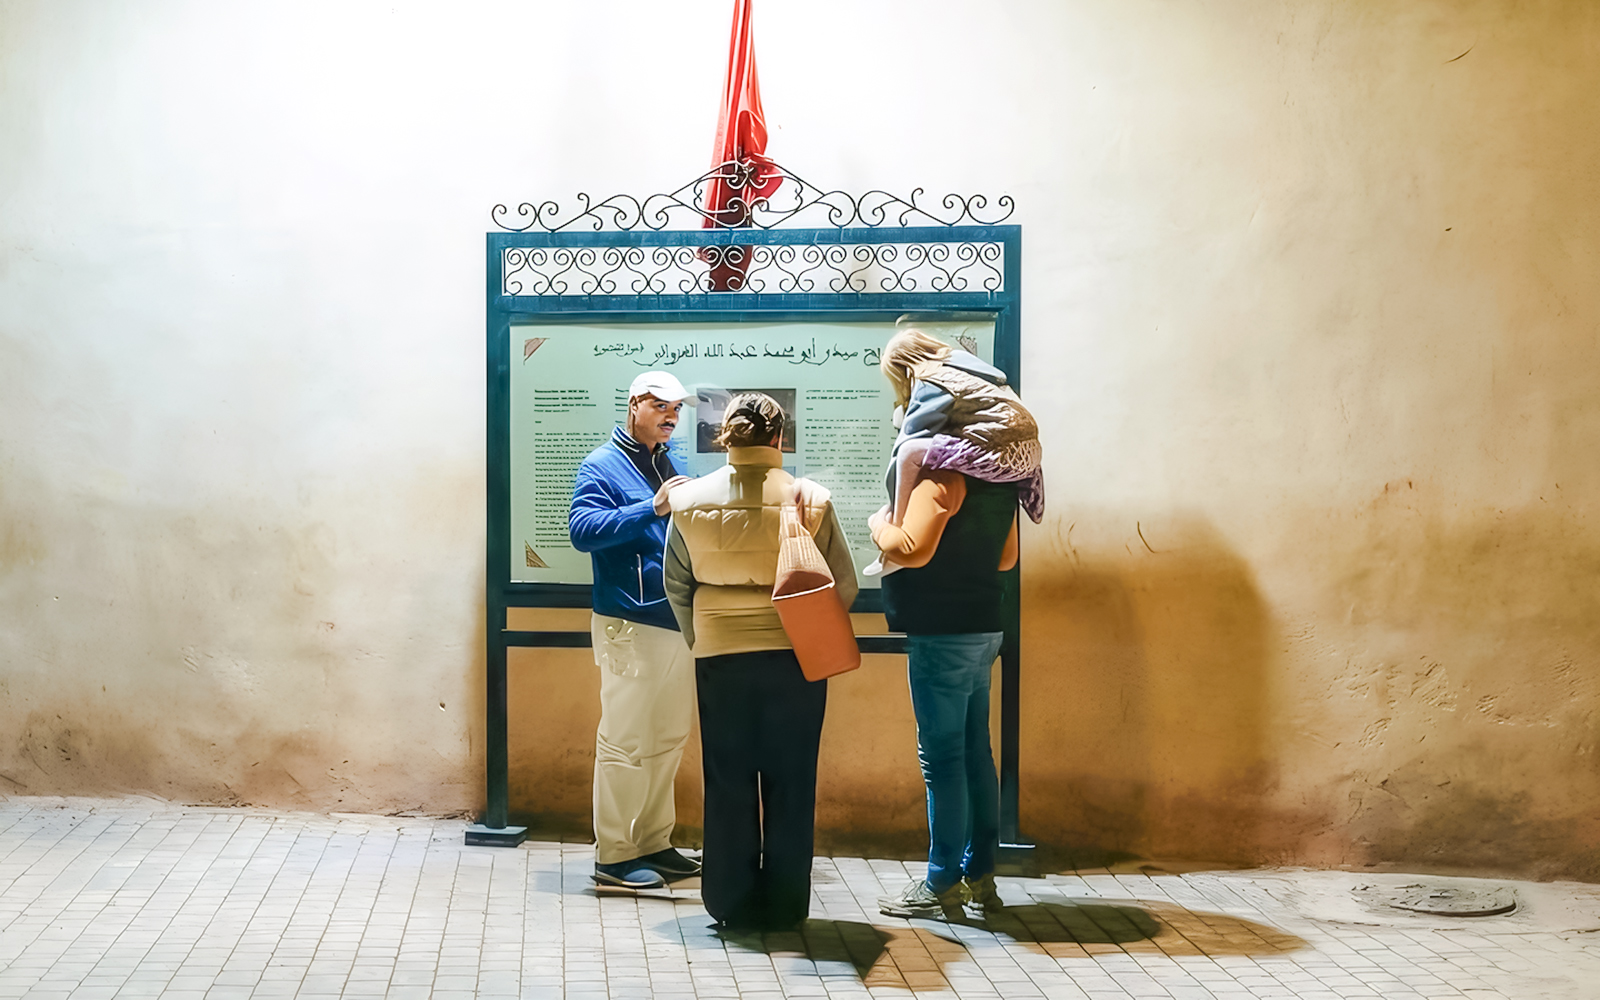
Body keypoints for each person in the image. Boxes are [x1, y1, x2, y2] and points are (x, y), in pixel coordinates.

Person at [663, 392, 857, 930]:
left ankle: (729, 901)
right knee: (792, 780)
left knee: (727, 780)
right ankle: (786, 903)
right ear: (778, 438)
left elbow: (676, 583)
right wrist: (804, 632)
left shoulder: (689, 501)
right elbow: (843, 583)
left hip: (721, 659)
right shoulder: (809, 499)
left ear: (726, 437)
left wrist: (702, 637)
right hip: (795, 660)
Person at [868, 365, 1025, 919]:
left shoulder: (941, 478)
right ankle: (980, 876)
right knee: (975, 754)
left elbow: (910, 548)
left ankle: (940, 883)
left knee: (941, 761)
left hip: (943, 630)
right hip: (985, 625)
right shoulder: (995, 479)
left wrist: (877, 524)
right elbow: (1006, 558)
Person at [568, 371, 701, 890]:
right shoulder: (600, 464)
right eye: (662, 406)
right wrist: (652, 505)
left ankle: (653, 841)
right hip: (628, 621)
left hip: (674, 620)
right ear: (634, 406)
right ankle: (615, 856)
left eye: (677, 409)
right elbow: (582, 532)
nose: (672, 415)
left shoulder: (671, 463)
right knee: (624, 740)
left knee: (667, 737)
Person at [865, 329, 1044, 577]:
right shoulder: (969, 367)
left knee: (909, 450)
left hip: (995, 450)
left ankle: (898, 520)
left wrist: (887, 517)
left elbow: (912, 435)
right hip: (1024, 457)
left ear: (904, 367)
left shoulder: (929, 377)